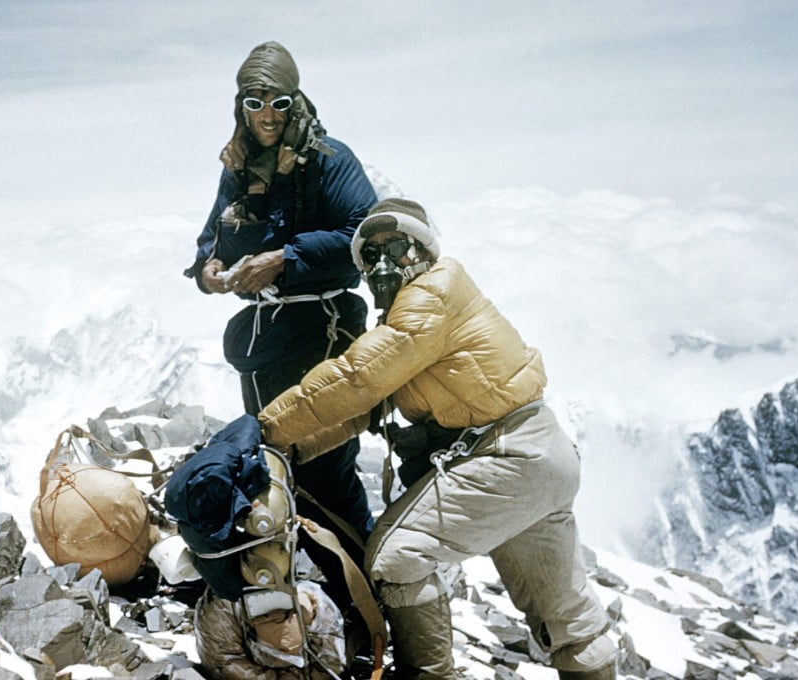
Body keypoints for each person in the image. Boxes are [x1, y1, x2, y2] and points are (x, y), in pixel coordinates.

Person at [258, 198, 617, 679]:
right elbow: (365, 408)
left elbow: (357, 378)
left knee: (396, 557)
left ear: (424, 251)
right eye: (372, 254)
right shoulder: (419, 314)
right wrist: (293, 445)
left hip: (507, 456)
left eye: (397, 248)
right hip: (541, 457)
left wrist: (265, 428)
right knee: (567, 619)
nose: (384, 264)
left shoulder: (430, 295)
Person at [183, 42, 377, 595]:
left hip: (323, 334)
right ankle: (310, 600)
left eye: (279, 102)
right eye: (255, 102)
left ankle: (366, 598)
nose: (267, 115)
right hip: (265, 344)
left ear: (297, 103)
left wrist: (284, 259)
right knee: (273, 462)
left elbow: (364, 234)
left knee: (325, 469)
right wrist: (208, 270)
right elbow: (211, 239)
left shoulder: (329, 160)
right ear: (241, 107)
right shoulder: (238, 165)